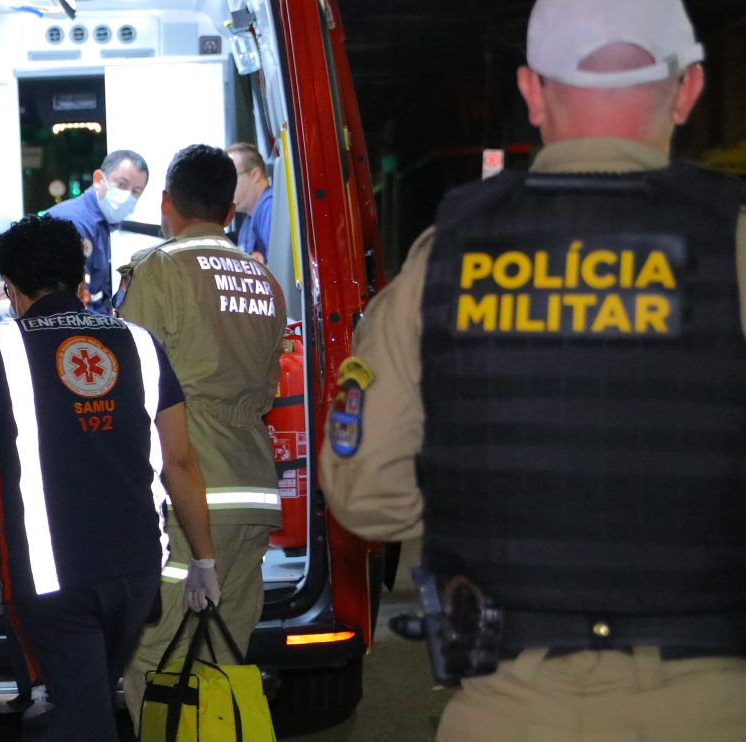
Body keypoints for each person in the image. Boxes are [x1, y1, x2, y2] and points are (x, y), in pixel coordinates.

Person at [319, 0, 746, 739]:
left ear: (530, 91)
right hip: (712, 702)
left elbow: (366, 498)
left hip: (507, 702)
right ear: (688, 90)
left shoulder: (441, 262)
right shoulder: (734, 246)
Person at [0, 215, 218, 741]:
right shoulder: (139, 342)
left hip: (53, 578)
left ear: (11, 289)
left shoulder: (3, 347)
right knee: (86, 699)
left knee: (78, 716)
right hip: (136, 571)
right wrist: (203, 559)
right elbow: (179, 460)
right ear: (77, 276)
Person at [117, 144, 287, 727]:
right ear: (230, 210)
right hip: (252, 491)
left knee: (154, 656)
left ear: (167, 203)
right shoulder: (263, 278)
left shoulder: (158, 269)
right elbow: (267, 388)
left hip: (187, 494)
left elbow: (130, 388)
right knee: (222, 658)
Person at [46, 149, 150, 313]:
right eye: (121, 184)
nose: (127, 196)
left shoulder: (102, 223)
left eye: (136, 191)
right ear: (98, 179)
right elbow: (67, 302)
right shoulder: (72, 224)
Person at [227, 142, 273, 263]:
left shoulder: (270, 209)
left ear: (255, 174)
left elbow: (281, 267)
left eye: (230, 177)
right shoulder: (249, 220)